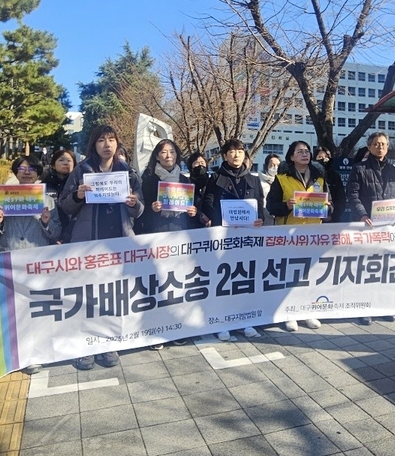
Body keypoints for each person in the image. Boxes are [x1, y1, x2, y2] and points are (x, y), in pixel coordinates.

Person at [59, 125, 144, 369]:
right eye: (101, 140)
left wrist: (132, 203)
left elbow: (140, 208)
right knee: (87, 295)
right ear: (94, 145)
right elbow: (64, 205)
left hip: (118, 242)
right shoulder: (81, 171)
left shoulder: (128, 172)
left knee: (113, 295)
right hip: (88, 244)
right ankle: (85, 346)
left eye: (111, 140)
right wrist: (78, 195)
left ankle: (109, 344)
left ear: (117, 144)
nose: (107, 144)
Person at [136, 139, 200, 349]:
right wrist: (151, 208)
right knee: (158, 284)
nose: (168, 155)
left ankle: (177, 327)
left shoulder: (184, 179)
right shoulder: (148, 180)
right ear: (156, 156)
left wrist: (193, 212)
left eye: (171, 151)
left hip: (180, 237)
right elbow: (139, 213)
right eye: (163, 152)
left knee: (178, 283)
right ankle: (156, 329)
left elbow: (193, 210)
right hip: (157, 237)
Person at [201, 139, 265, 341]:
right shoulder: (215, 178)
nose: (236, 155)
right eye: (231, 151)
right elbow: (208, 204)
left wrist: (260, 219)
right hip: (225, 237)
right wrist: (223, 219)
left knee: (244, 278)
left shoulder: (253, 179)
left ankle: (245, 319)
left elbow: (261, 206)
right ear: (224, 155)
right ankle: (222, 322)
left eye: (239, 151)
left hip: (247, 238)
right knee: (223, 279)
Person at [266, 140, 328, 332]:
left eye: (307, 151)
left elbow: (329, 203)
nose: (305, 154)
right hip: (289, 234)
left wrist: (326, 207)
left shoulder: (319, 179)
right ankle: (289, 313)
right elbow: (271, 207)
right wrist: (287, 205)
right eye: (299, 151)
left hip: (312, 234)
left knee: (310, 275)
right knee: (290, 275)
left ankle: (308, 311)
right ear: (291, 157)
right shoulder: (282, 179)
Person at [345, 132, 395, 326]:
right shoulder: (359, 169)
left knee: (385, 268)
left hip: (387, 227)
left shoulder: (394, 170)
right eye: (377, 144)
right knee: (365, 268)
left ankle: (385, 306)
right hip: (366, 226)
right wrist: (363, 214)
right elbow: (352, 195)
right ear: (369, 147)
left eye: (384, 144)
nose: (380, 147)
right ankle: (364, 308)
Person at [42, 148, 76, 242]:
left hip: (73, 235)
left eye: (69, 160)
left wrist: (67, 235)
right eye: (61, 160)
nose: (65, 163)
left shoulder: (79, 186)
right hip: (49, 235)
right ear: (53, 165)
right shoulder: (43, 186)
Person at [315, 146, 346, 223]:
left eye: (326, 157)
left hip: (333, 220)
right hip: (313, 220)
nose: (323, 159)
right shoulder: (311, 176)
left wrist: (332, 215)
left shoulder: (335, 176)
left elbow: (341, 199)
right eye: (320, 157)